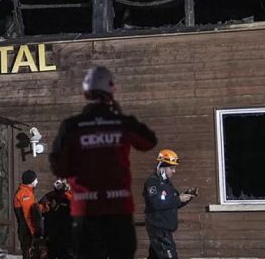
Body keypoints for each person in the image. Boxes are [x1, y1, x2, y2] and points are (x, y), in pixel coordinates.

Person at [49, 66, 157, 259]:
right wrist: (120, 115)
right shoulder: (121, 123)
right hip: (118, 209)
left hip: (85, 212)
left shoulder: (72, 126)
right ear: (112, 91)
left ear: (85, 92)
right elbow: (148, 142)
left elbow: (59, 166)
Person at [143, 149, 196, 259]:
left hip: (165, 229)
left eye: (174, 168)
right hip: (159, 229)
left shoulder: (167, 183)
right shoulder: (153, 182)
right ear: (162, 166)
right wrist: (178, 199)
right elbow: (156, 204)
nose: (174, 171)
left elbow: (172, 203)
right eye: (171, 168)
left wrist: (187, 197)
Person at [39, 179, 74, 259]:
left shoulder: (71, 198)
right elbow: (39, 209)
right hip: (53, 236)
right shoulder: (50, 197)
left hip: (65, 237)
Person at [13, 170, 44, 259]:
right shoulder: (25, 194)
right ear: (31, 180)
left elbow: (34, 208)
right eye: (36, 179)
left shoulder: (27, 192)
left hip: (25, 228)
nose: (37, 181)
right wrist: (35, 232)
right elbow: (28, 215)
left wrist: (43, 207)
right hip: (27, 229)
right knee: (28, 253)